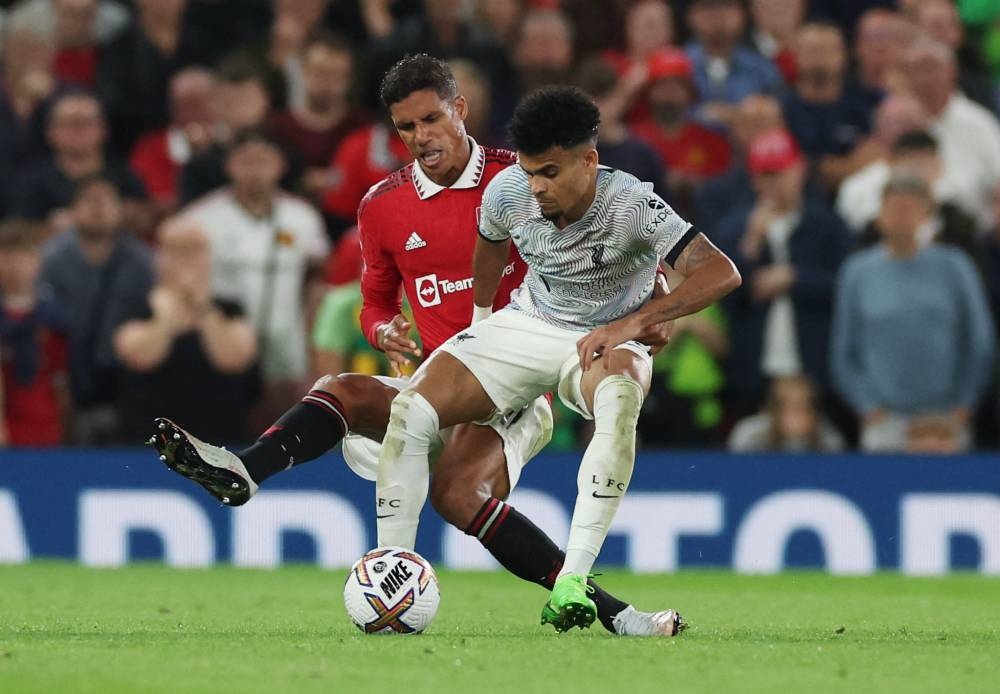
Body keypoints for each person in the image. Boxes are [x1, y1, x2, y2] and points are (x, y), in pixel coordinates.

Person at [153, 55, 682, 638]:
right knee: (341, 391)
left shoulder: (525, 177)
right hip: (440, 376)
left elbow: (616, 243)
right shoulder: (381, 206)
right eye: (406, 128)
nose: (420, 138)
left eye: (431, 119)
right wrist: (382, 330)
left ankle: (607, 610)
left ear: (460, 109)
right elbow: (374, 301)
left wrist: (650, 300)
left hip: (518, 387)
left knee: (458, 496)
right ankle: (244, 471)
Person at [372, 85, 739, 631]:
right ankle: (391, 573)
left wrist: (638, 321)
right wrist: (478, 325)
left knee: (619, 402)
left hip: (606, 336)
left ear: (589, 161)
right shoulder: (510, 191)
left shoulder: (633, 205)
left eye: (550, 172)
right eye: (529, 172)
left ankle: (573, 580)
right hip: (528, 323)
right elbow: (491, 240)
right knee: (413, 406)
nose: (536, 187)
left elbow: (721, 271)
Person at [830, 174, 995, 452]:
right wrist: (867, 406)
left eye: (908, 210)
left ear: (927, 214)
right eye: (893, 209)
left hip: (944, 419)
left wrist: (964, 404)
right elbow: (843, 349)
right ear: (879, 215)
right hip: (884, 419)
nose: (900, 218)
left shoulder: (954, 266)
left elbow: (979, 341)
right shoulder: (858, 271)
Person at [182, 129, 329, 421]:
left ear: (280, 165)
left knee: (288, 421)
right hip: (225, 338)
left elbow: (315, 281)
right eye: (246, 161)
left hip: (286, 334)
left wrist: (314, 344)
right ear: (229, 165)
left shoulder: (302, 217)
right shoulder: (201, 218)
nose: (255, 170)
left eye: (263, 161)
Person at [716, 129, 850, 417]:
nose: (772, 183)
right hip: (753, 371)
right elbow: (723, 302)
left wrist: (795, 279)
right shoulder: (735, 231)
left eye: (778, 173)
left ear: (798, 169)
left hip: (816, 365)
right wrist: (750, 245)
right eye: (764, 175)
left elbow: (847, 287)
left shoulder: (827, 226)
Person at [114, 217, 258, 444]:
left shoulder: (231, 309)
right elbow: (139, 357)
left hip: (220, 442)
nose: (186, 260)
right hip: (148, 443)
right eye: (175, 251)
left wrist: (205, 311)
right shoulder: (137, 307)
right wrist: (165, 318)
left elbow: (234, 360)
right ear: (158, 257)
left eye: (194, 250)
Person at [38, 173, 153, 443]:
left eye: (106, 200)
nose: (98, 208)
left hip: (125, 383)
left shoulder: (143, 262)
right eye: (90, 201)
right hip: (66, 379)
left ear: (120, 209)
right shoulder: (49, 259)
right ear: (73, 209)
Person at [0, 219, 70, 446]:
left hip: (44, 424)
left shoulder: (55, 316)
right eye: (7, 257)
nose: (15, 266)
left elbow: (63, 376)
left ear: (37, 261)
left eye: (22, 257)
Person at [728, 374, 845, 452]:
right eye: (790, 405)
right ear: (774, 410)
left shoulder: (828, 437)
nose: (798, 413)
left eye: (804, 405)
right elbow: (735, 470)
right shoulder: (749, 433)